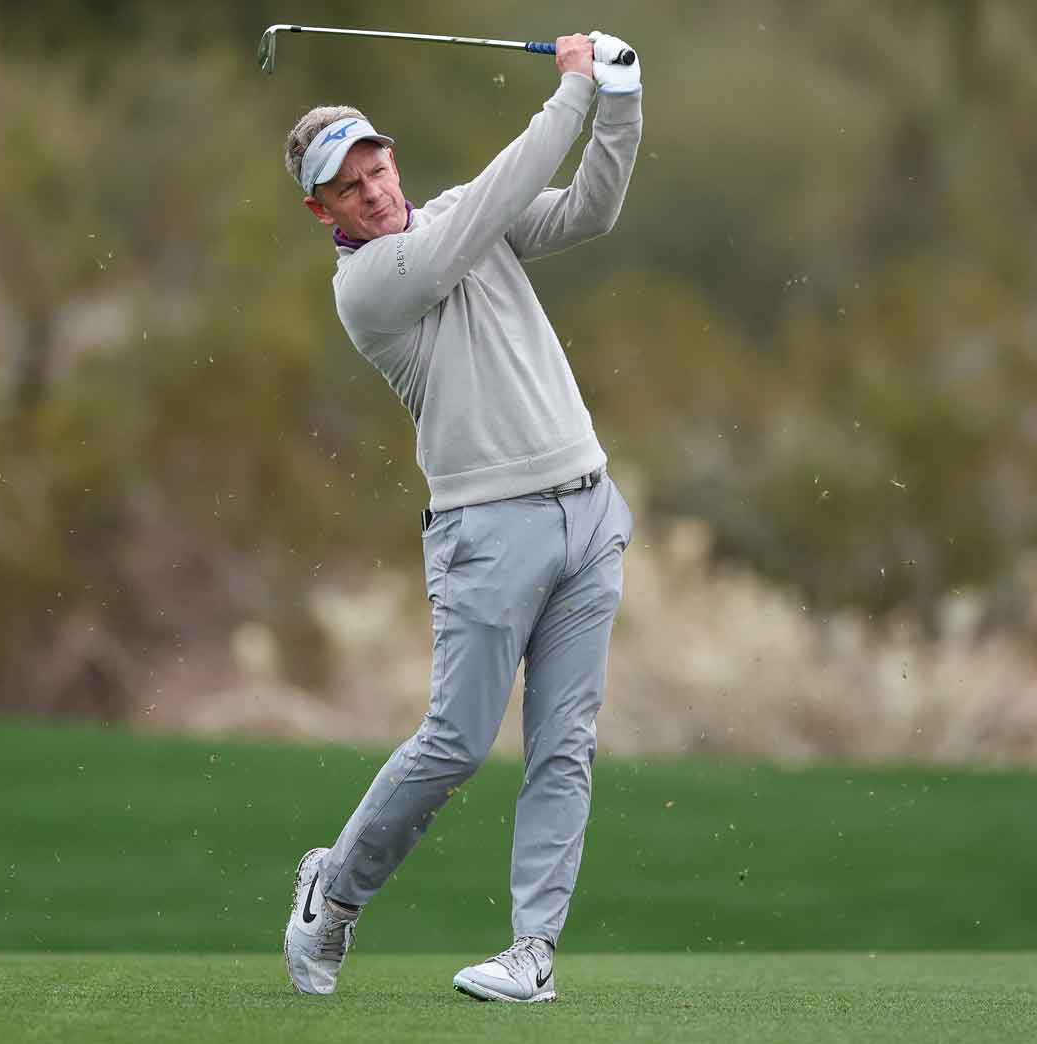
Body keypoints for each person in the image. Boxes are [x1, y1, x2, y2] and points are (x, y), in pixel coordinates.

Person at [278, 31, 642, 1003]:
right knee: (455, 743)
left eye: (377, 166)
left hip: (588, 510)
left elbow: (591, 210)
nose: (373, 191)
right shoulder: (370, 286)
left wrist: (619, 98)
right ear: (321, 211)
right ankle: (335, 894)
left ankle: (533, 951)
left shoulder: (451, 222)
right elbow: (490, 200)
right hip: (486, 533)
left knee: (564, 746)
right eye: (347, 187)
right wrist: (568, 91)